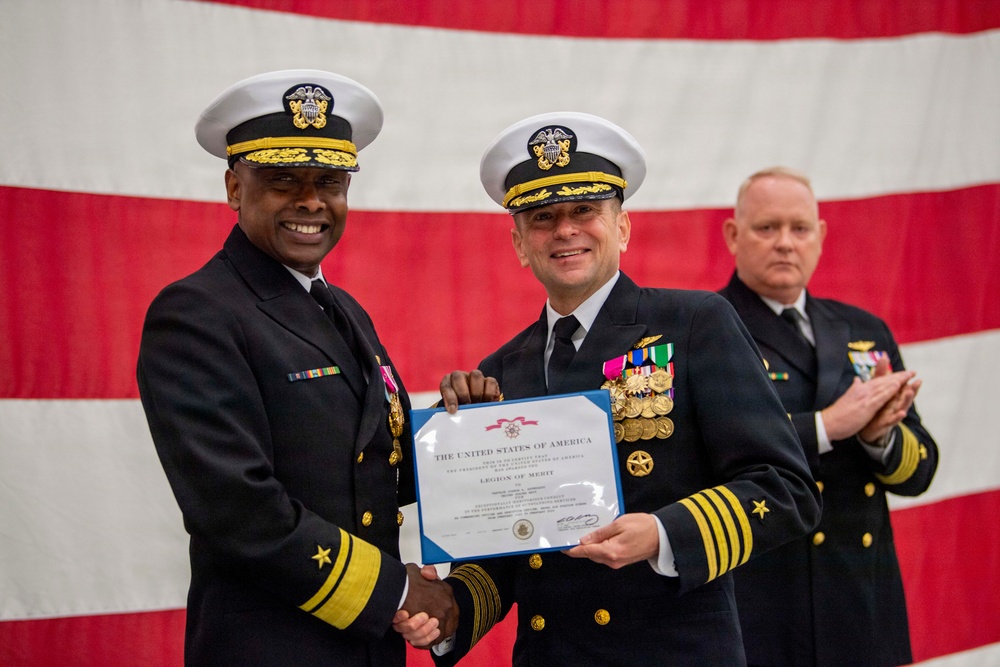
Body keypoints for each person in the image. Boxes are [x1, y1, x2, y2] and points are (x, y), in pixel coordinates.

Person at [394, 113, 822, 665]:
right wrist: (450, 608)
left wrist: (663, 534)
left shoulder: (696, 325)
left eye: (585, 211)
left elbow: (785, 489)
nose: (566, 230)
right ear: (520, 243)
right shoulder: (502, 370)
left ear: (621, 227)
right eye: (543, 217)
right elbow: (509, 545)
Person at [136, 70, 455, 666]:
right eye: (283, 181)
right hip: (269, 647)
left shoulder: (343, 310)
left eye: (329, 182)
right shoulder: (197, 313)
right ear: (234, 187)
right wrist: (398, 590)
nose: (311, 201)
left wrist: (471, 433)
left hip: (368, 648)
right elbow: (238, 510)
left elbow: (371, 469)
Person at [719, 166, 939, 666]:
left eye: (799, 229)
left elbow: (920, 472)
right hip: (764, 602)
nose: (785, 243)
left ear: (819, 237)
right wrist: (827, 426)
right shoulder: (706, 329)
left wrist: (881, 437)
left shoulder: (864, 330)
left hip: (859, 599)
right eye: (766, 227)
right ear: (734, 235)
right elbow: (705, 457)